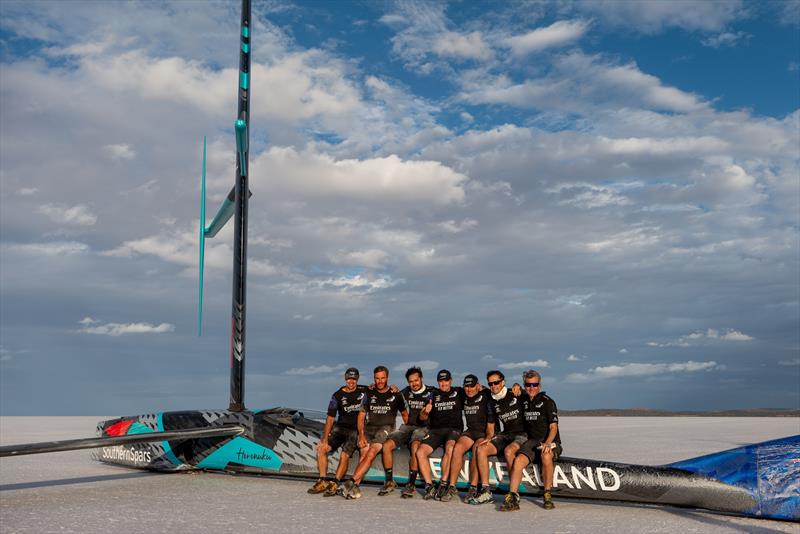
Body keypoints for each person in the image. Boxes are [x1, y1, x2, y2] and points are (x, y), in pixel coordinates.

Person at [342, 366, 408, 499]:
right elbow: (361, 416)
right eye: (377, 378)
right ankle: (355, 487)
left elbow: (406, 416)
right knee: (364, 452)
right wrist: (361, 435)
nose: (380, 381)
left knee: (371, 452)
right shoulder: (369, 392)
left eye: (383, 378)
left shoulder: (396, 394)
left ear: (387, 378)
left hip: (386, 428)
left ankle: (351, 481)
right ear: (374, 379)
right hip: (369, 428)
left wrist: (406, 434)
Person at [501, 370, 562, 511]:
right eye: (528, 385)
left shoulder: (548, 402)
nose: (531, 388)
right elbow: (505, 391)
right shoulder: (523, 399)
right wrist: (515, 385)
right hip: (532, 441)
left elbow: (553, 427)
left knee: (546, 455)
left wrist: (548, 443)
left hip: (551, 441)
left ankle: (547, 494)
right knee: (518, 461)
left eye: (534, 385)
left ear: (539, 385)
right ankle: (513, 496)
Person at [467, 370, 526, 505]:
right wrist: (489, 437)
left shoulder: (515, 393)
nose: (494, 386)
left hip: (522, 435)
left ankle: (513, 493)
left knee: (509, 451)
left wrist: (518, 386)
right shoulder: (491, 401)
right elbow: (491, 424)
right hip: (506, 434)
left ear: (503, 382)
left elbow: (531, 393)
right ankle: (486, 491)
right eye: (491, 383)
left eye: (496, 382)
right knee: (481, 449)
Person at [308, 367, 366, 496]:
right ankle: (322, 480)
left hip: (355, 429)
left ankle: (335, 482)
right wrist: (324, 438)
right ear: (345, 379)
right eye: (349, 379)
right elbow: (330, 418)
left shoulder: (364, 391)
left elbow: (380, 390)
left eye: (354, 379)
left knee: (344, 455)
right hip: (340, 427)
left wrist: (393, 388)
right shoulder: (337, 395)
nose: (351, 382)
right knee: (321, 449)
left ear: (357, 380)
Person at [378, 367, 431, 498]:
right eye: (411, 381)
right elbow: (386, 394)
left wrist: (480, 388)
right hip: (407, 427)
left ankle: (411, 484)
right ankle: (389, 481)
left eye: (416, 380)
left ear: (421, 379)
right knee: (386, 446)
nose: (414, 383)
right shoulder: (404, 393)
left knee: (414, 446)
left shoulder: (431, 392)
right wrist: (389, 388)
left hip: (423, 428)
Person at [439, 374, 494, 502]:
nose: (469, 389)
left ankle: (473, 487)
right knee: (457, 448)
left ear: (478, 386)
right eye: (466, 386)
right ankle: (452, 486)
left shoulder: (485, 395)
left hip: (483, 433)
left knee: (476, 448)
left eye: (472, 386)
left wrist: (517, 387)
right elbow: (445, 390)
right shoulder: (462, 394)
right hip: (470, 431)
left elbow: (501, 391)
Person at [416, 369, 464, 500]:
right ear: (438, 382)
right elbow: (421, 417)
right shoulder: (432, 395)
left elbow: (477, 390)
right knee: (420, 452)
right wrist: (425, 412)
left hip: (453, 429)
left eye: (446, 381)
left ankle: (443, 484)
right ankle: (429, 486)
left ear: (451, 381)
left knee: (450, 448)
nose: (444, 384)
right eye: (441, 381)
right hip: (436, 431)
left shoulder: (459, 392)